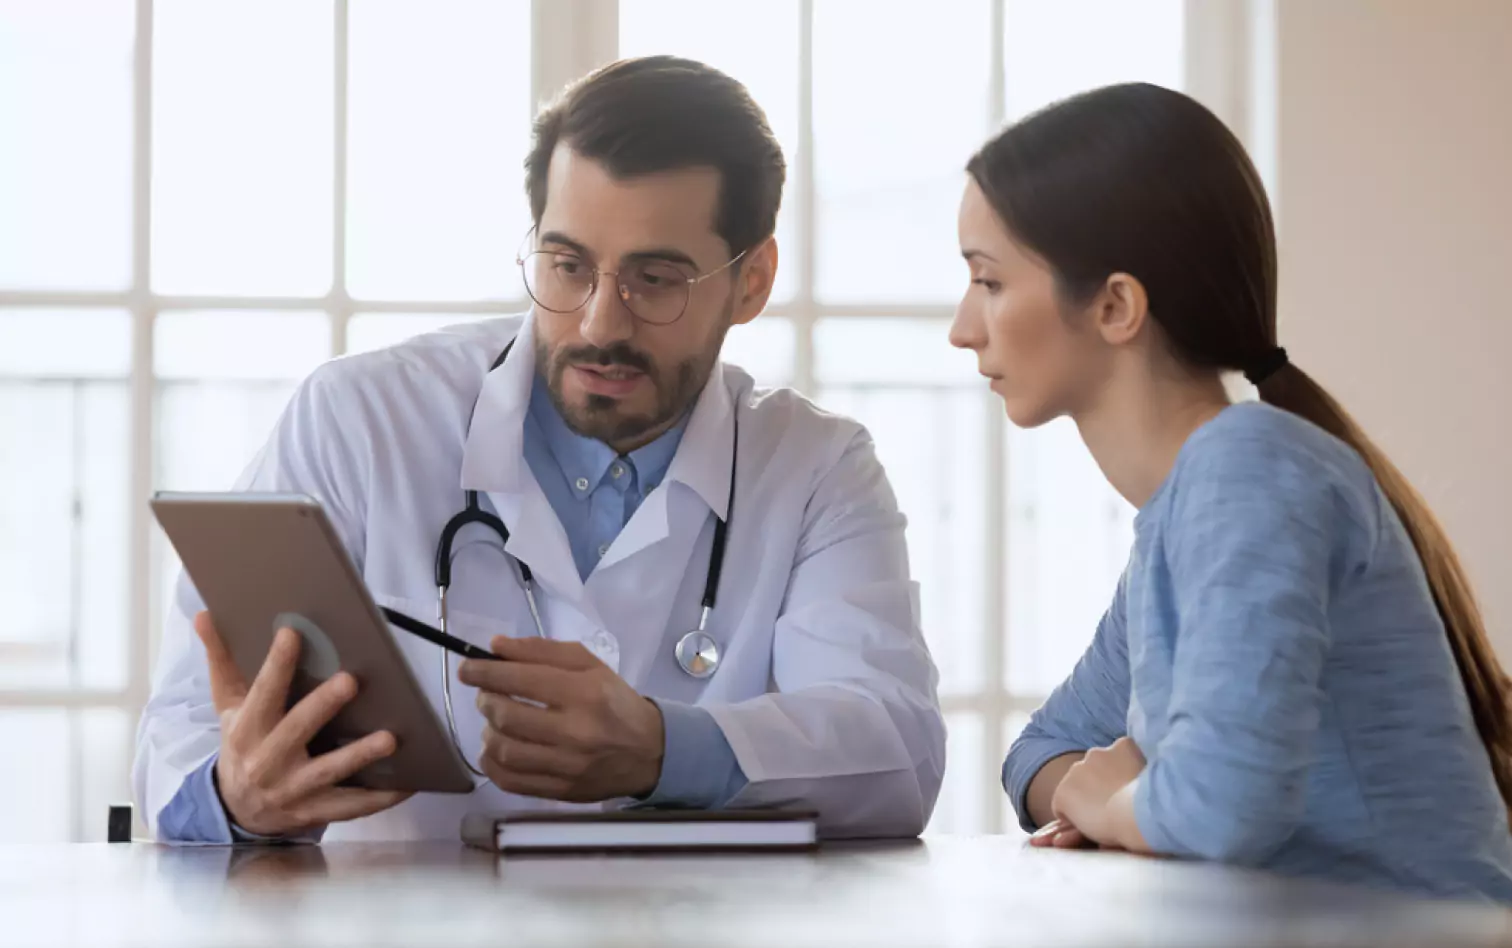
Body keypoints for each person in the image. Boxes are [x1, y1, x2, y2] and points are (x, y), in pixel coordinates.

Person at [133, 56, 945, 843]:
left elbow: (896, 753)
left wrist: (663, 749)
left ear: (752, 281)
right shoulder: (359, 419)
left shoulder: (816, 469)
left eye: (654, 279)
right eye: (567, 266)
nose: (599, 324)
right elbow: (184, 732)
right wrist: (237, 797)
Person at [950, 82, 1512, 901]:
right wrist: (1121, 799)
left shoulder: (1249, 469)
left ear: (1114, 305)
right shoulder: (1178, 521)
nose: (964, 327)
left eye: (990, 282)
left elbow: (1220, 810)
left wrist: (1119, 802)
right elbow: (1038, 752)